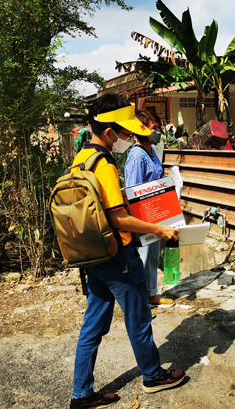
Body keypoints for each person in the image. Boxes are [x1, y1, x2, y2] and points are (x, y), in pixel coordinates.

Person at [69, 94, 186, 409]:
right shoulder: (104, 161)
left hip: (92, 255)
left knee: (93, 324)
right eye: (123, 133)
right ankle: (153, 376)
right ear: (109, 133)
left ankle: (81, 393)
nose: (126, 138)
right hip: (117, 255)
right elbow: (117, 217)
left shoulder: (80, 159)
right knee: (138, 319)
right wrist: (159, 229)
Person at [124, 109, 174, 308]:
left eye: (158, 127)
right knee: (143, 257)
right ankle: (140, 300)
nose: (158, 132)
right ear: (141, 129)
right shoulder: (136, 156)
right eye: (154, 128)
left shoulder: (151, 151)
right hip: (143, 215)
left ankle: (151, 294)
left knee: (152, 255)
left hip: (157, 211)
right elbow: (133, 190)